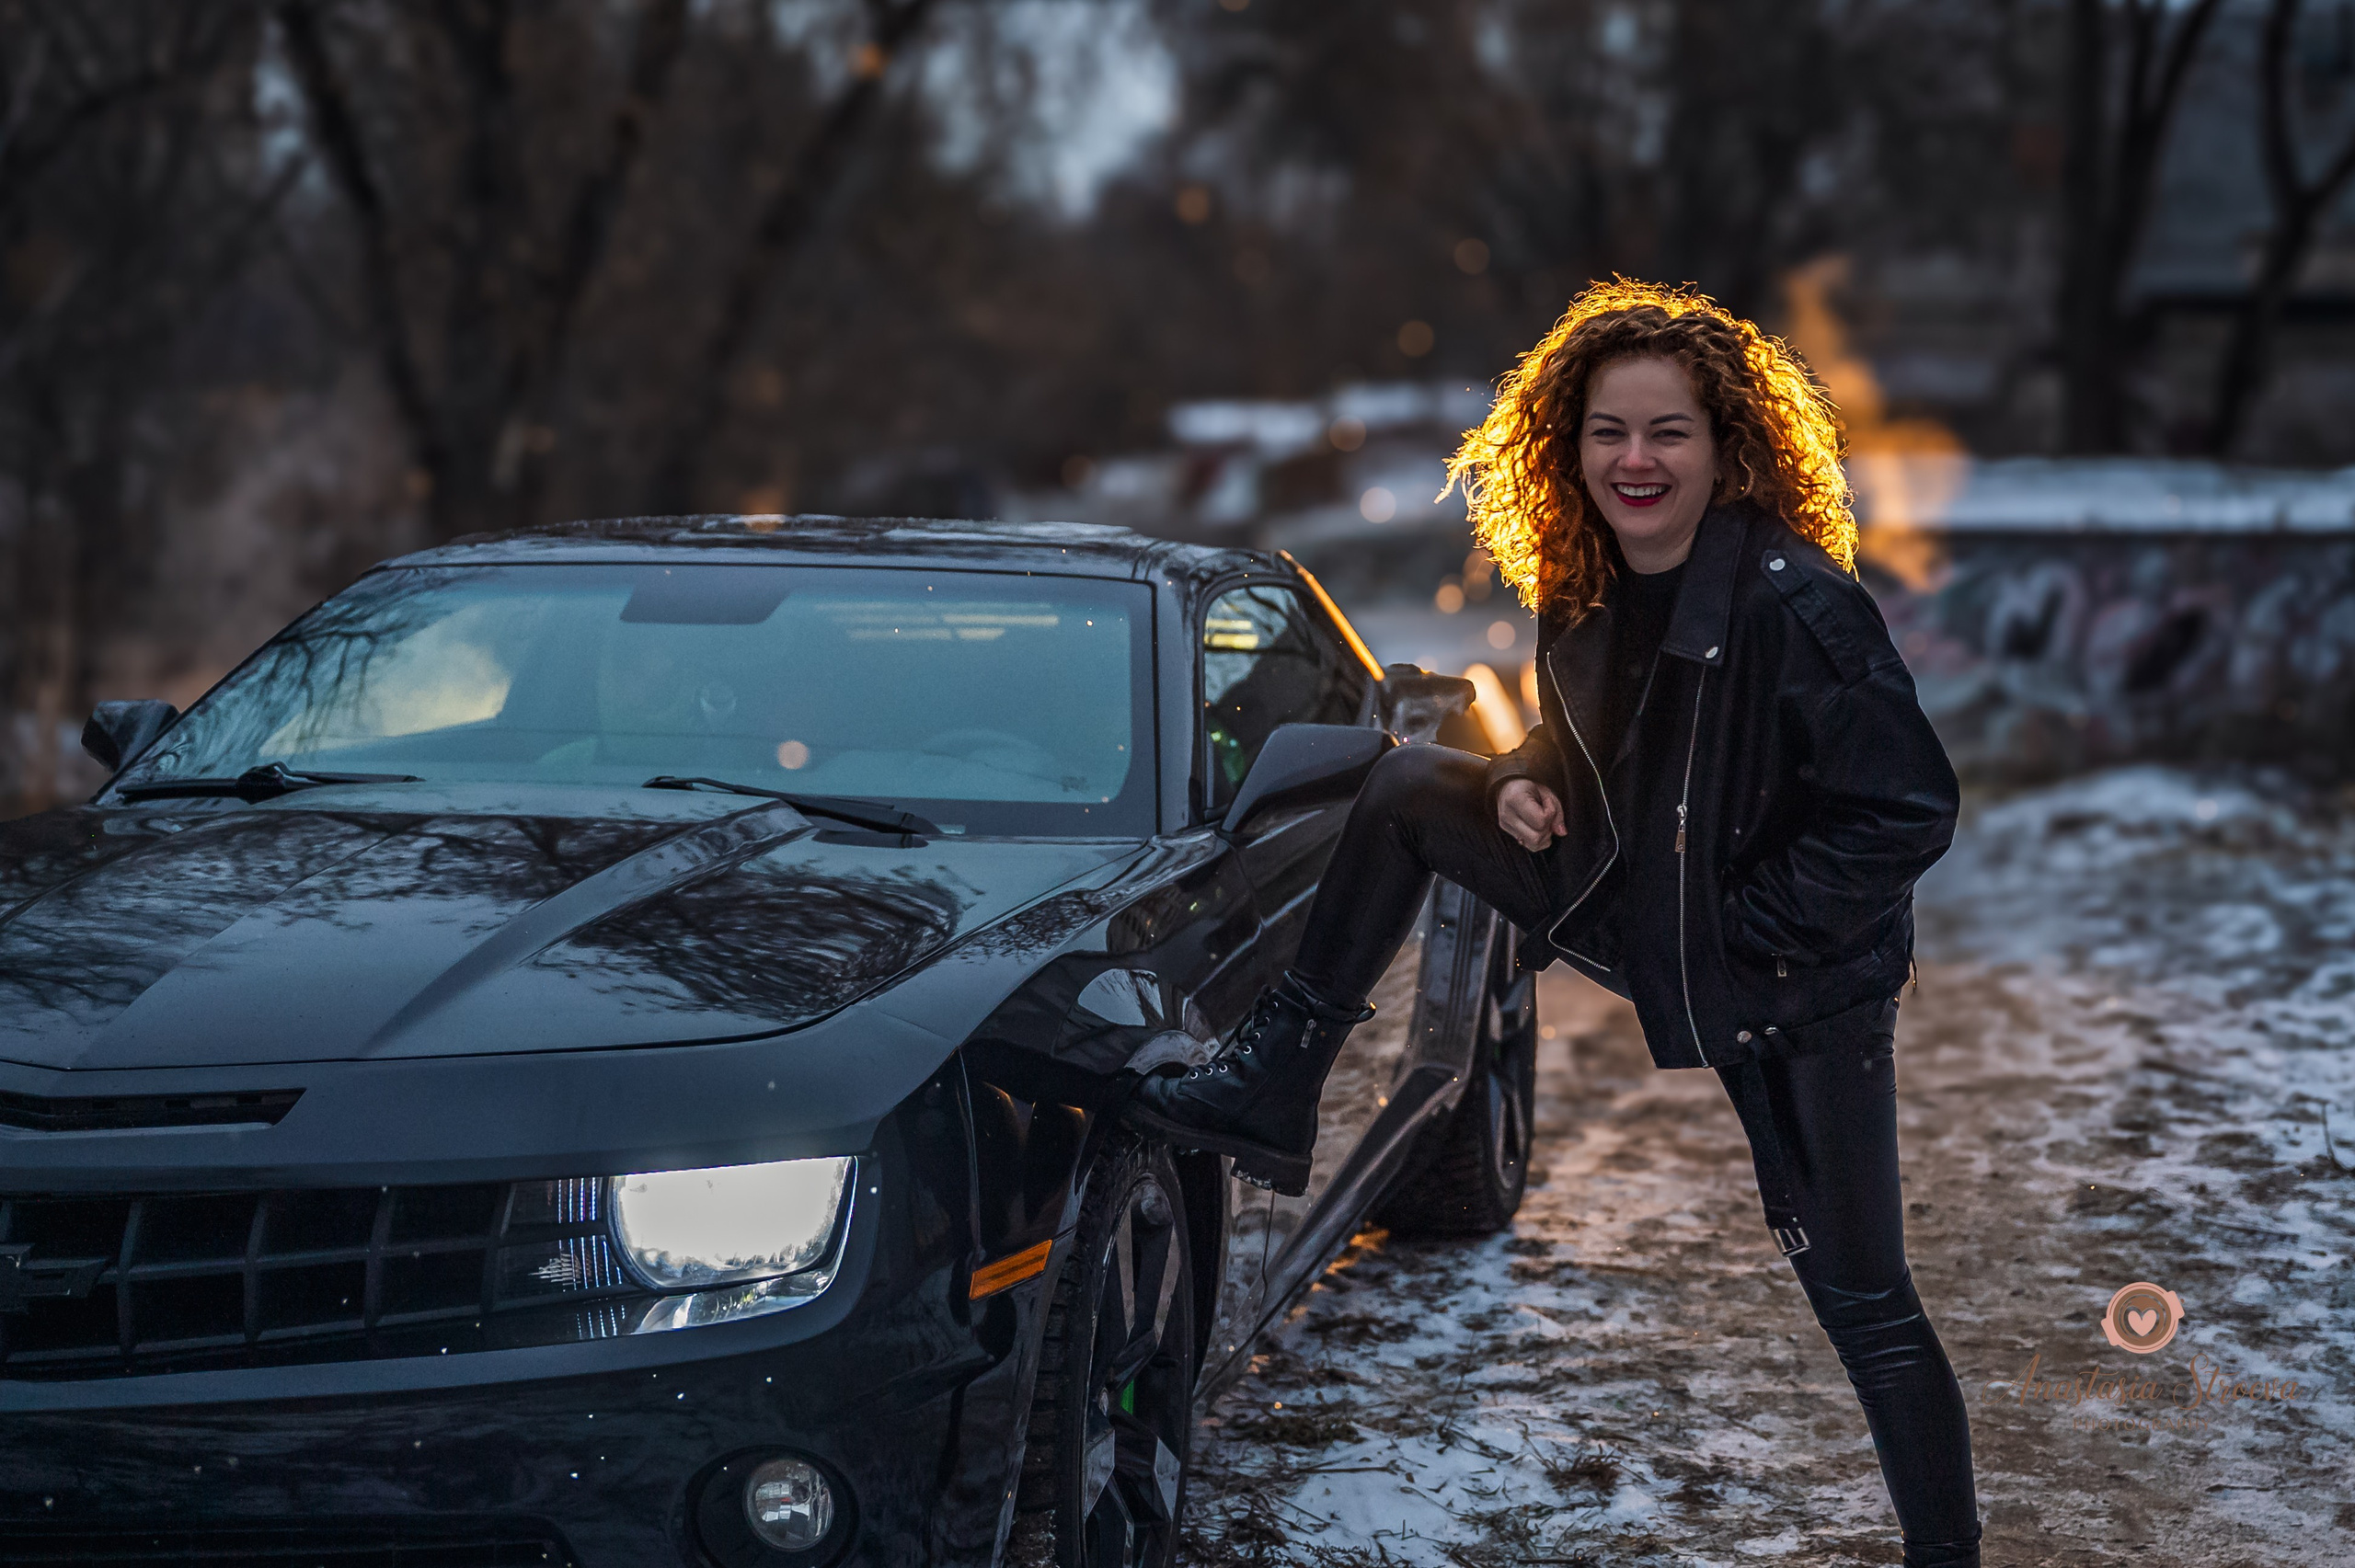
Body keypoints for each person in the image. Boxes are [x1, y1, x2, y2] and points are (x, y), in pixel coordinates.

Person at [1125, 280, 1982, 1567]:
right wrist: (1528, 771)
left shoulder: (1794, 604)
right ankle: (1278, 1080)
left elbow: (1906, 807)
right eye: (1607, 432)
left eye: (1668, 432)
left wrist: (1742, 929)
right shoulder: (1586, 582)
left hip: (1792, 982)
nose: (1635, 460)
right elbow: (1612, 752)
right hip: (1640, 905)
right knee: (1413, 781)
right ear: (1565, 445)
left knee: (1862, 1295)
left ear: (1727, 444)